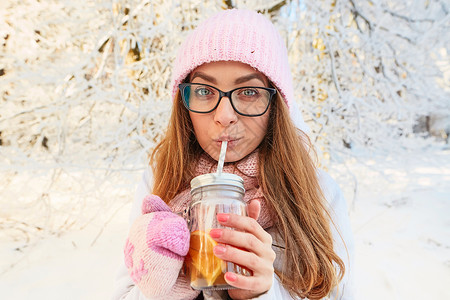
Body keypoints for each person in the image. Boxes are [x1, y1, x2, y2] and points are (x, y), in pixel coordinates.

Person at [112, 9, 354, 300]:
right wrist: (158, 284)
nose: (224, 115)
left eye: (248, 92)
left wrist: (262, 293)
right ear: (184, 103)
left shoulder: (318, 191)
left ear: (275, 103)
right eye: (204, 91)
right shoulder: (160, 180)